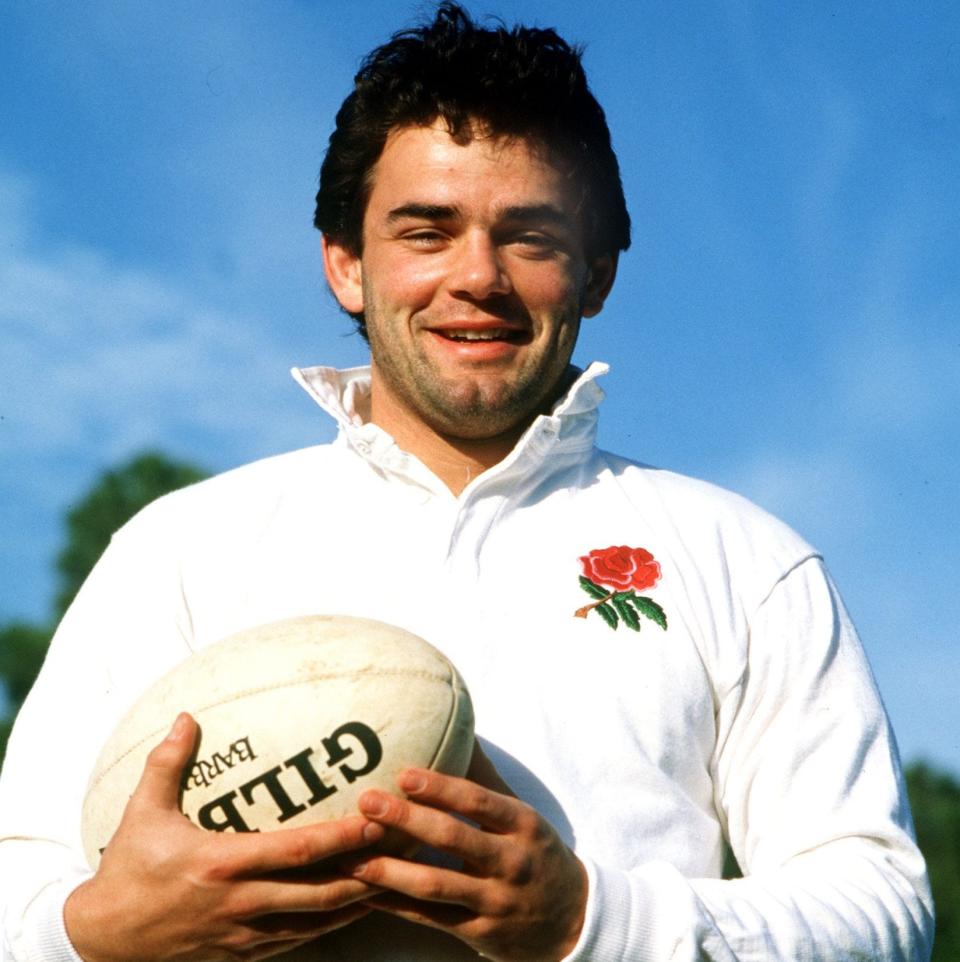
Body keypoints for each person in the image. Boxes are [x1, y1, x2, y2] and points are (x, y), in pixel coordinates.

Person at [0, 4, 934, 961]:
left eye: (529, 235)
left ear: (597, 273)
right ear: (346, 266)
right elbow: (18, 880)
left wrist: (591, 920)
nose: (478, 276)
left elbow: (880, 906)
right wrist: (96, 933)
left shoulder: (744, 559)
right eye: (427, 230)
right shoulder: (181, 549)